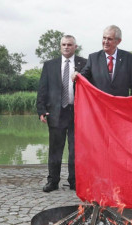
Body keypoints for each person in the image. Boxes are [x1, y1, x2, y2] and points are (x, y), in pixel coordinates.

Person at [37, 35, 87, 192]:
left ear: (75, 47)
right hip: (56, 113)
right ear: (60, 46)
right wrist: (41, 110)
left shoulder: (84, 64)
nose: (66, 47)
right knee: (55, 150)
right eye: (64, 44)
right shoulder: (50, 65)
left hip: (77, 113)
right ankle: (53, 181)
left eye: (70, 44)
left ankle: (74, 181)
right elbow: (42, 89)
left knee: (75, 150)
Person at [72, 25, 132, 96]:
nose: (106, 41)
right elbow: (83, 77)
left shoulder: (129, 58)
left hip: (120, 105)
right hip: (99, 105)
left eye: (109, 39)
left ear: (118, 41)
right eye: (104, 38)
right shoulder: (93, 58)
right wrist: (77, 75)